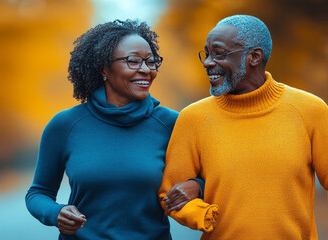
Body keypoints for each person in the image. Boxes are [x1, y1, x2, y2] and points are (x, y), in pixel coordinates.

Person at [158, 15, 328, 240]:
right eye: (206, 54)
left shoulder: (310, 110)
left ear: (254, 57)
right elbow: (169, 193)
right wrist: (200, 214)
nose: (207, 62)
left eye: (218, 53)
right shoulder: (193, 118)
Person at [25, 19, 201, 239]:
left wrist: (196, 186)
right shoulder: (65, 125)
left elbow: (213, 177)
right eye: (133, 61)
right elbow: (38, 192)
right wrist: (56, 212)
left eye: (151, 61)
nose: (146, 70)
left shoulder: (172, 123)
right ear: (104, 68)